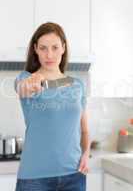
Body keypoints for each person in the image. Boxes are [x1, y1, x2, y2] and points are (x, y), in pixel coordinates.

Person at [14, 22, 90, 191]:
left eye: (55, 47)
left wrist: (85, 154)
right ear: (35, 49)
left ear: (63, 48)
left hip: (74, 176)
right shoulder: (26, 78)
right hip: (35, 180)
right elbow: (23, 88)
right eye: (43, 48)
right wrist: (31, 84)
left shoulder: (77, 85)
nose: (49, 54)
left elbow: (84, 131)